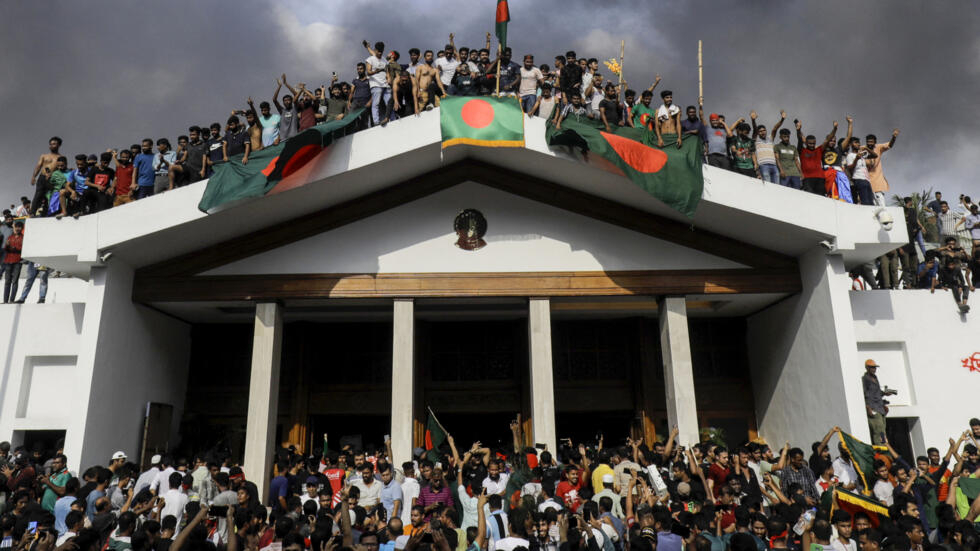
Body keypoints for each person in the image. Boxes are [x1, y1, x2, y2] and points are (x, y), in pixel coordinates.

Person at [796, 120, 837, 196]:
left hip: (820, 178)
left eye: (813, 143)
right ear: (806, 143)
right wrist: (798, 130)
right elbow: (799, 139)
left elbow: (828, 139)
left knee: (820, 198)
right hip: (807, 178)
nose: (812, 145)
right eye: (810, 143)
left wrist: (835, 129)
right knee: (810, 198)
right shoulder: (802, 151)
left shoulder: (819, 150)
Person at [865, 129, 899, 206]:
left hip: (877, 179)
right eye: (868, 142)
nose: (870, 143)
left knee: (880, 199)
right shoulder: (863, 149)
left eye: (871, 142)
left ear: (875, 142)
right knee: (870, 202)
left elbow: (890, 145)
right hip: (866, 179)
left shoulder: (878, 147)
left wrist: (894, 137)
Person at [751, 110, 785, 184]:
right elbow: (754, 130)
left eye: (764, 130)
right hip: (763, 165)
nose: (762, 132)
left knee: (777, 186)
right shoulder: (756, 140)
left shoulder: (770, 139)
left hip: (774, 165)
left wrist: (782, 119)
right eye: (760, 131)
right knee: (768, 185)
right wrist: (753, 120)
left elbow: (775, 128)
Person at [862, 359, 889, 444]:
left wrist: (885, 393)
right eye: (872, 367)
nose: (874, 369)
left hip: (880, 408)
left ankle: (884, 446)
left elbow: (876, 393)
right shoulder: (865, 379)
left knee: (883, 430)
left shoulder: (875, 378)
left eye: (875, 367)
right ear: (867, 368)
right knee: (878, 430)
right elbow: (864, 394)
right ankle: (880, 449)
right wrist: (868, 407)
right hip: (873, 408)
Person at [844, 138, 877, 205]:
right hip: (859, 179)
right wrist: (856, 159)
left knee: (871, 202)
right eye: (856, 142)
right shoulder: (850, 155)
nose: (858, 144)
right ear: (851, 144)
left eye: (859, 142)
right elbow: (850, 168)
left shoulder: (862, 155)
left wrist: (866, 148)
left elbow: (875, 155)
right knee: (865, 202)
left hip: (866, 180)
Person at [2, 221, 24, 303]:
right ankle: (5, 301)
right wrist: (7, 246)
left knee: (14, 281)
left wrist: (15, 249)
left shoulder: (23, 238)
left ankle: (12, 300)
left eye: (19, 227)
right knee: (7, 282)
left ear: (22, 228)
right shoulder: (10, 237)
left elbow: (23, 250)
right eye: (16, 227)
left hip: (17, 262)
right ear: (14, 228)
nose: (17, 229)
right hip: (8, 261)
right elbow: (5, 249)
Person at [274, 74, 299, 142]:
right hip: (283, 140)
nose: (287, 102)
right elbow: (274, 100)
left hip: (294, 138)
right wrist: (279, 86)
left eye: (289, 100)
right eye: (285, 100)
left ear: (291, 101)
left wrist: (285, 83)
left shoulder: (295, 109)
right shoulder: (282, 111)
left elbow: (296, 94)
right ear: (283, 102)